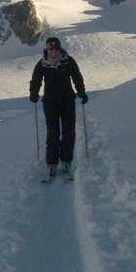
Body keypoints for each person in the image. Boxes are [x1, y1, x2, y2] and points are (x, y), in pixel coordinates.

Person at [29, 36, 88, 178]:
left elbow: (77, 77)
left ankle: (66, 161)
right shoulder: (42, 64)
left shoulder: (68, 61)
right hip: (50, 103)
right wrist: (34, 93)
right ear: (47, 50)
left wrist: (81, 91)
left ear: (59, 49)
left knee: (69, 132)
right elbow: (36, 80)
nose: (53, 52)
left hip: (67, 100)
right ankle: (52, 163)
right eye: (51, 49)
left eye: (55, 49)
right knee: (53, 133)